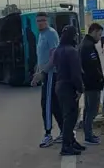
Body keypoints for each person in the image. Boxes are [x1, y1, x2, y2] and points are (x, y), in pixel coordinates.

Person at [30, 12, 63, 148]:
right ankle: (65, 131)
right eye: (38, 21)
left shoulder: (51, 34)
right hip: (44, 74)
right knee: (54, 105)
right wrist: (37, 73)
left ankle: (48, 134)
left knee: (47, 104)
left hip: (51, 74)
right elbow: (41, 57)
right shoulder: (41, 35)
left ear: (47, 21)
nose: (40, 23)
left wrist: (43, 72)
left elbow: (54, 56)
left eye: (42, 20)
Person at [54, 25, 86, 155]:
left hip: (59, 85)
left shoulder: (58, 50)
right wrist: (80, 88)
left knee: (67, 115)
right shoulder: (72, 51)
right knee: (71, 117)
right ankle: (66, 145)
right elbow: (76, 73)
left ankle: (71, 142)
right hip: (69, 86)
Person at [79, 23, 104, 145]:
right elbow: (93, 67)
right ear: (93, 31)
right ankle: (88, 136)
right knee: (92, 110)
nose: (100, 38)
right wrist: (99, 79)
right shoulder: (88, 46)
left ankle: (88, 134)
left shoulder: (85, 44)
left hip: (87, 83)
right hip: (92, 83)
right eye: (99, 34)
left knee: (88, 109)